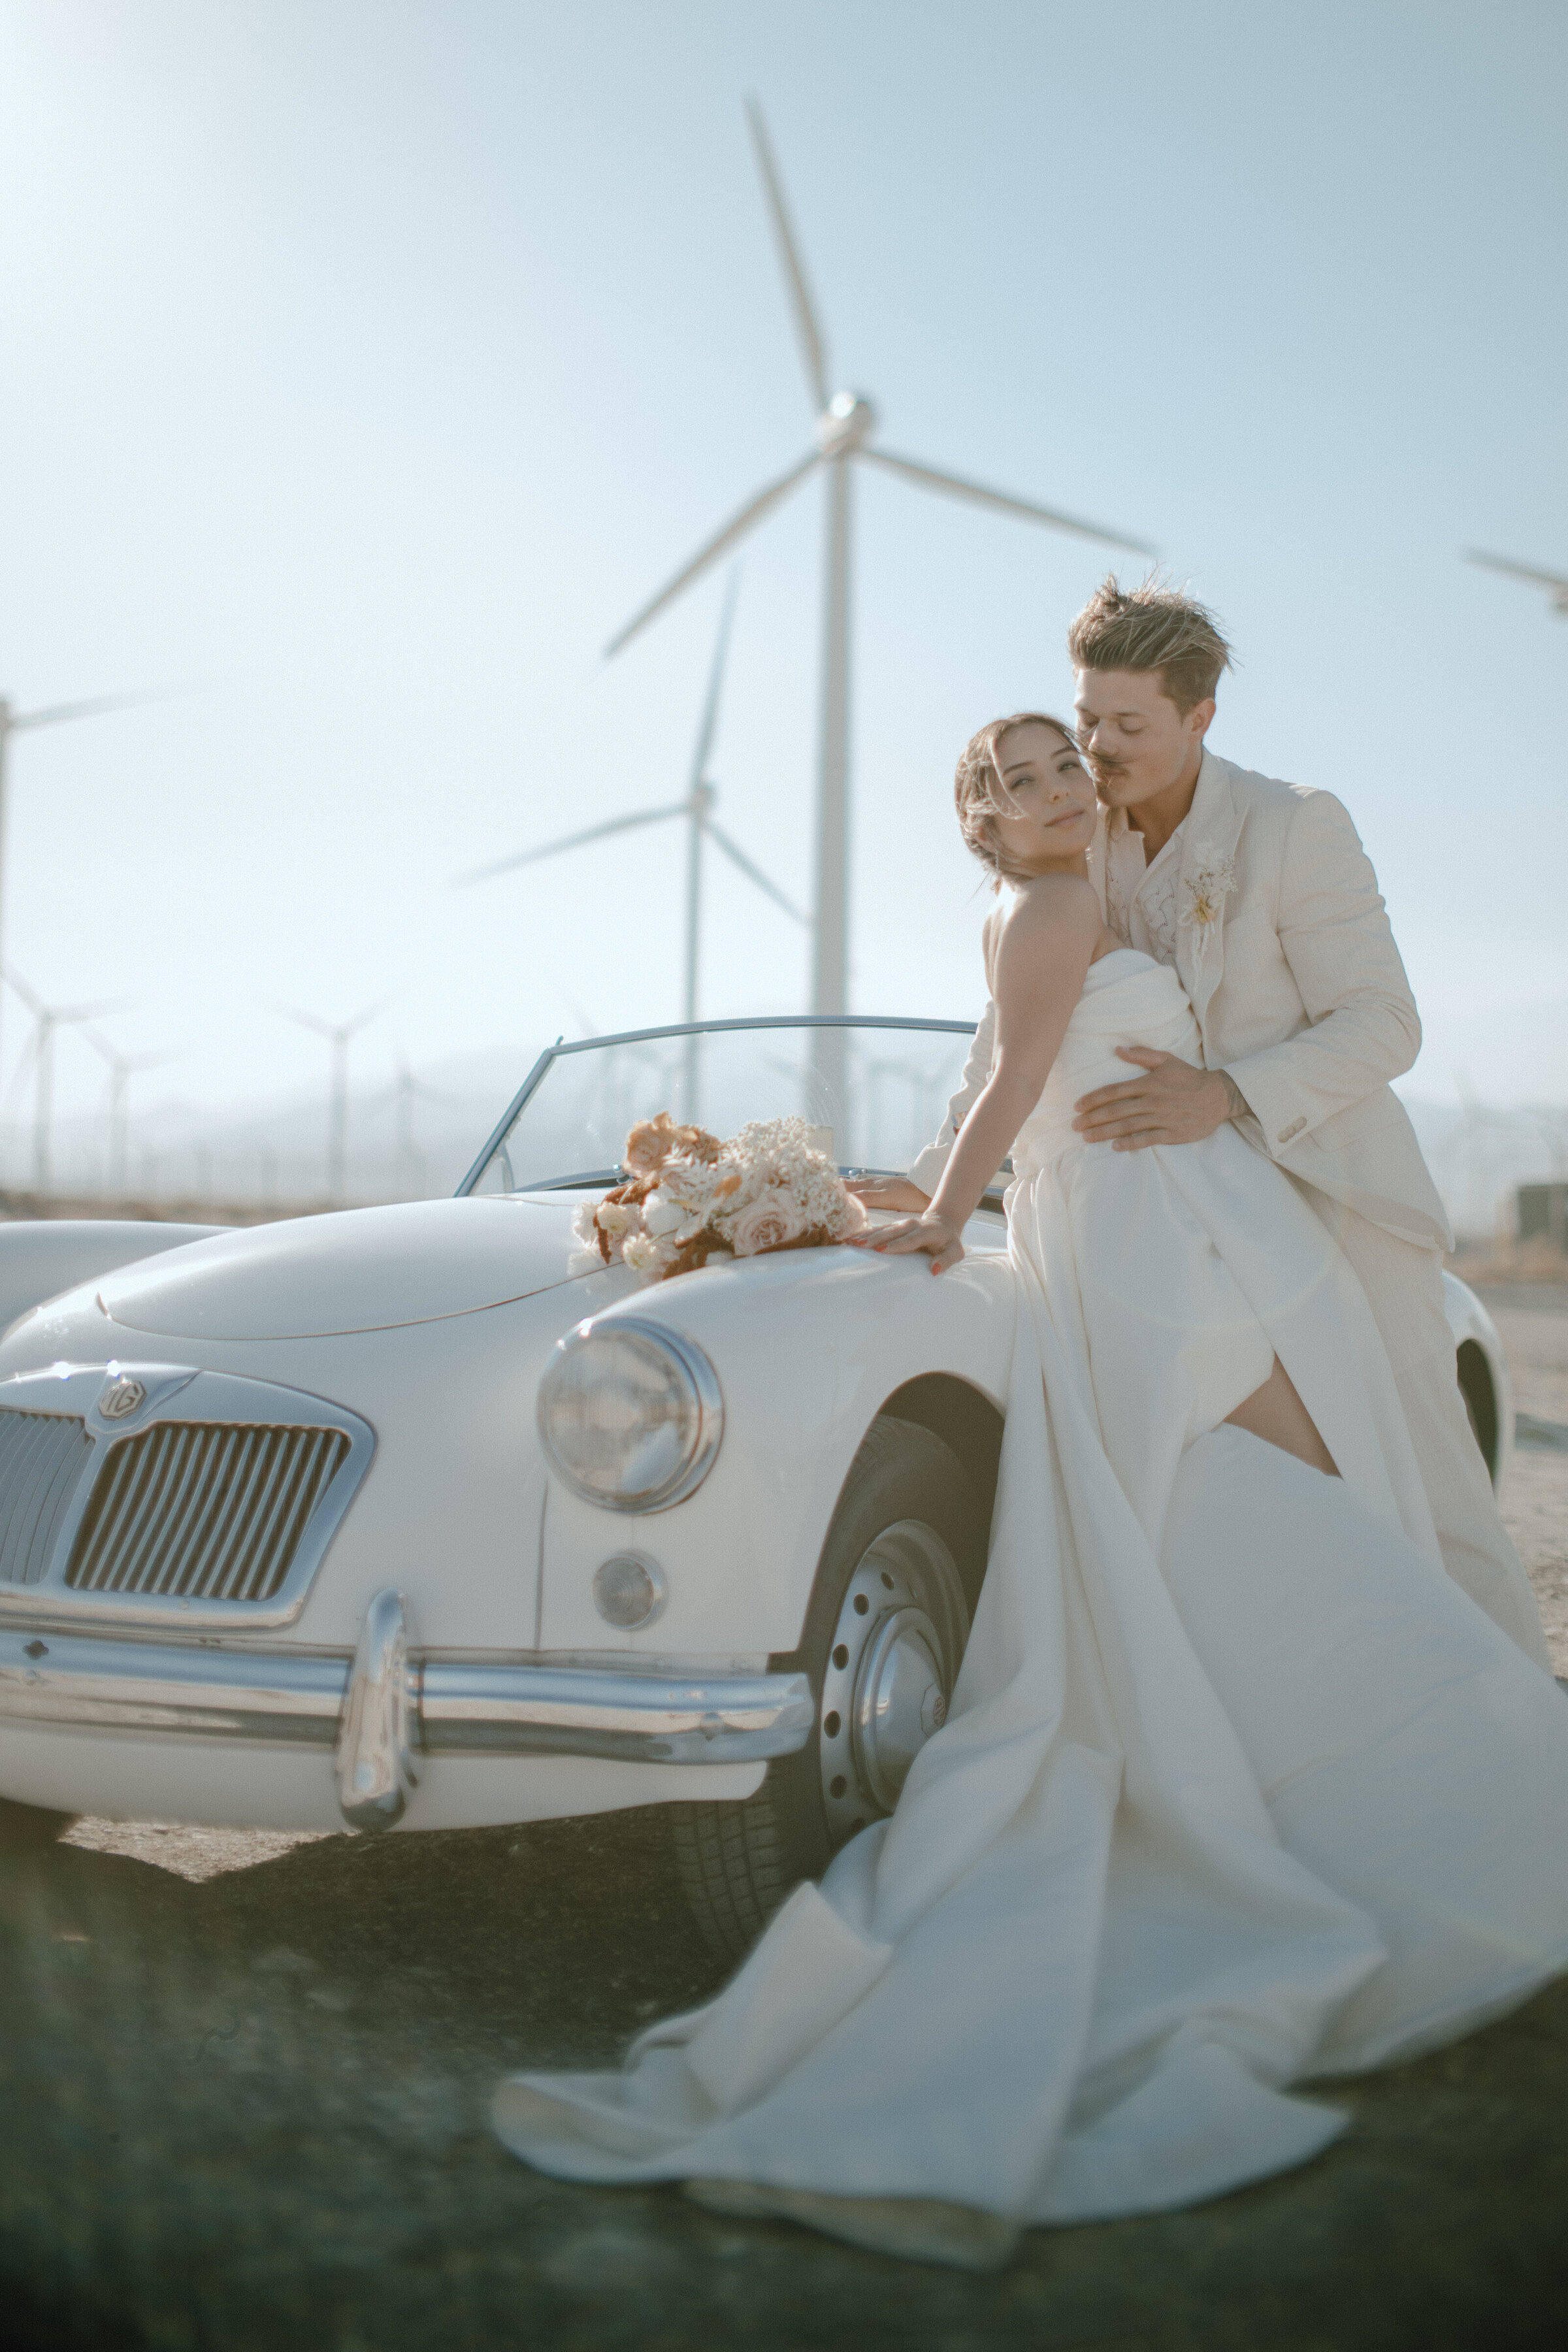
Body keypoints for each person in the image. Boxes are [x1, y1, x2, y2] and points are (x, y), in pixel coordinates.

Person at [492, 713, 1568, 2271]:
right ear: (981, 823)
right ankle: (1446, 1810)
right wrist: (938, 1206)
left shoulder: (1053, 901)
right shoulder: (1062, 906)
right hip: (1162, 1239)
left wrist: (937, 1188)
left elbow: (1007, 1067)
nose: (1058, 788)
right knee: (1269, 1508)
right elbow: (1011, 1081)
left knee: (1208, 1518)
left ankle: (1356, 1788)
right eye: (1016, 781)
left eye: (1066, 763)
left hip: (1152, 1226)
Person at [853, 578, 1549, 1669]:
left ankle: (1497, 1719)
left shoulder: (1294, 826)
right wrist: (938, 1175)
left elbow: (1385, 1024)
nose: (1098, 748)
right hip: (1167, 1215)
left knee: (1414, 1481)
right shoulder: (1076, 838)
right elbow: (1017, 1039)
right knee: (1228, 1494)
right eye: (1087, 721)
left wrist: (1225, 1096)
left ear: (1199, 718)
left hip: (1331, 1195)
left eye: (1128, 726)